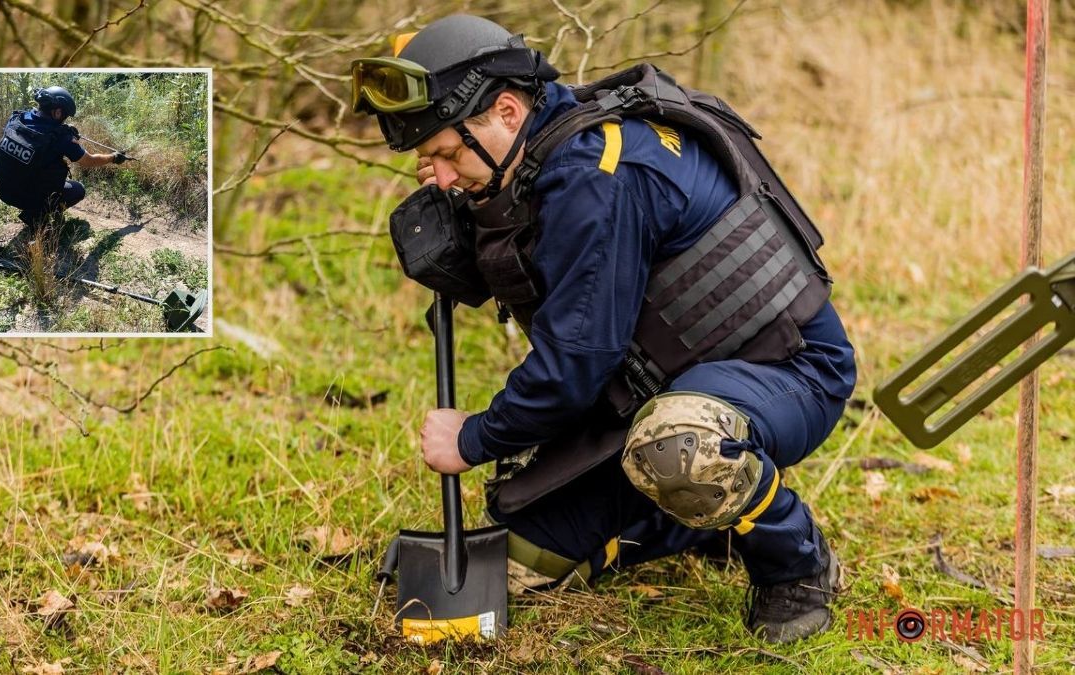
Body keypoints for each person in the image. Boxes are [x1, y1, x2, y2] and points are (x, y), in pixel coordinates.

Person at [353, 15, 857, 644]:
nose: (445, 177)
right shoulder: (540, 158)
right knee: (530, 548)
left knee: (679, 446)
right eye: (430, 164)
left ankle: (798, 565)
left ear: (507, 111)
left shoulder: (598, 175)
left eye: (449, 155)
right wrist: (472, 233)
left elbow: (574, 367)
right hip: (668, 384)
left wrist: (475, 437)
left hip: (788, 372)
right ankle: (708, 521)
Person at [0, 85, 126, 238]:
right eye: (65, 116)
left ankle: (34, 211)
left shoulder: (17, 119)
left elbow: (38, 128)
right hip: (28, 196)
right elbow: (89, 161)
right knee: (78, 190)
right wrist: (114, 157)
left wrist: (64, 129)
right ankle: (37, 215)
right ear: (57, 112)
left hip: (6, 192)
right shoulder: (60, 138)